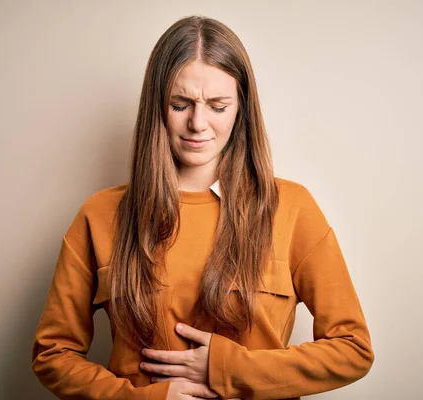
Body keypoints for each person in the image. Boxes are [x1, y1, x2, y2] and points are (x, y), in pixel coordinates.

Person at [31, 15, 374, 400]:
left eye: (217, 106)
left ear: (241, 108)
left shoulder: (292, 208)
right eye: (180, 105)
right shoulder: (100, 214)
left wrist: (228, 367)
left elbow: (353, 349)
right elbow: (53, 354)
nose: (198, 123)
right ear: (157, 107)